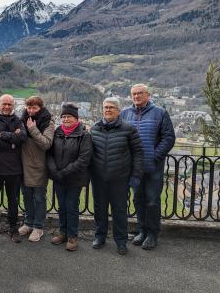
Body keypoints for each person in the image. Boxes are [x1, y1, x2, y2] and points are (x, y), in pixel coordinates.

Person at [121, 84, 175, 250]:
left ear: (148, 95)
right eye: (134, 94)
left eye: (140, 93)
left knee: (152, 200)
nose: (136, 96)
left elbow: (169, 138)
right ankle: (142, 230)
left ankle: (152, 234)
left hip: (153, 167)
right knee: (138, 199)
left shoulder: (160, 113)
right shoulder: (125, 113)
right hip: (133, 167)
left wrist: (154, 156)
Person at [90, 97, 144, 255]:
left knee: (119, 211)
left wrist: (136, 175)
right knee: (99, 209)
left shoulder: (128, 129)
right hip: (99, 177)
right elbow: (89, 153)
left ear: (118, 111)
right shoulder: (94, 128)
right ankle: (100, 237)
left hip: (120, 178)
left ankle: (121, 241)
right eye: (105, 107)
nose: (108, 109)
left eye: (111, 107)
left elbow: (138, 153)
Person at [47, 103, 93, 251]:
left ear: (76, 118)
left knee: (71, 206)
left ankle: (72, 236)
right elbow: (49, 154)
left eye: (69, 116)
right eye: (64, 116)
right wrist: (54, 171)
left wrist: (64, 172)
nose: (66, 119)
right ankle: (63, 233)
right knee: (62, 207)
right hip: (59, 177)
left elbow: (84, 159)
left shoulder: (84, 135)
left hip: (74, 178)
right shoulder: (58, 132)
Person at [0, 94, 27, 244]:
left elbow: (22, 138)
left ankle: (13, 229)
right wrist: (12, 142)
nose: (7, 107)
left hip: (14, 169)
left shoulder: (18, 120)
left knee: (13, 201)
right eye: (4, 104)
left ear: (13, 105)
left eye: (9, 104)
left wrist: (2, 134)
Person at [19, 96, 55, 242]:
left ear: (41, 108)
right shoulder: (23, 119)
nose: (31, 111)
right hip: (23, 164)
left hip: (39, 165)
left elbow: (46, 143)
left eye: (34, 108)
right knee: (27, 196)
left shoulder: (48, 122)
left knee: (39, 198)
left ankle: (38, 227)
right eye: (29, 107)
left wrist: (33, 129)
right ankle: (28, 223)